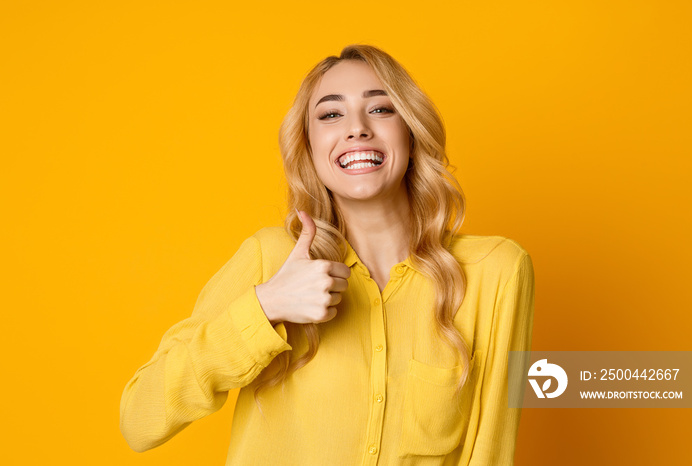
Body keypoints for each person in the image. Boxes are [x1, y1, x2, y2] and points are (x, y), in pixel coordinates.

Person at [120, 44, 535, 465]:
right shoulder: (272, 258)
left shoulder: (494, 272)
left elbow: (491, 449)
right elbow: (139, 419)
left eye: (381, 109)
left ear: (411, 132)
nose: (356, 129)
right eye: (331, 115)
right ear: (309, 145)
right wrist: (266, 307)